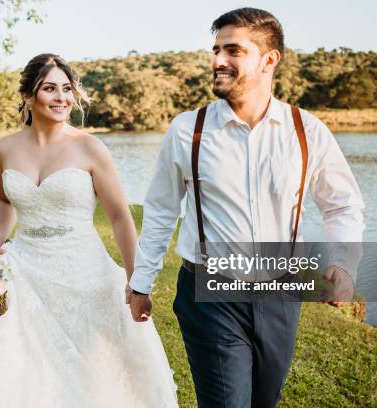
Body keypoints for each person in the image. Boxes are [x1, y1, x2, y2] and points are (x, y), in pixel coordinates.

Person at [0, 53, 178, 407]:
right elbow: (4, 200)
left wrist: (136, 283)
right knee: (11, 358)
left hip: (84, 272)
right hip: (24, 268)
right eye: (49, 89)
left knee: (93, 366)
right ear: (28, 96)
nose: (61, 98)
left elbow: (120, 215)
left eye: (66, 89)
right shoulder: (6, 148)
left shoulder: (90, 147)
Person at [128, 8, 364, 408]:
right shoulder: (188, 130)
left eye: (233, 50)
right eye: (216, 49)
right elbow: (161, 211)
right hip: (210, 295)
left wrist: (344, 263)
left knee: (263, 402)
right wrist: (141, 283)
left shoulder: (307, 131)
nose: (218, 60)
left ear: (269, 60)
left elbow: (342, 204)